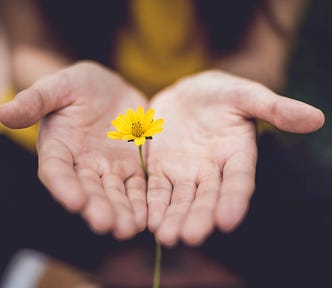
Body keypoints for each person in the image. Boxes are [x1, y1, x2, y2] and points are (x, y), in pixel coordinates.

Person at [0, 0, 325, 250]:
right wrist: (57, 87)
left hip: (216, 134)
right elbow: (30, 46)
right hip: (76, 131)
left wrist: (227, 85)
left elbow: (262, 56)